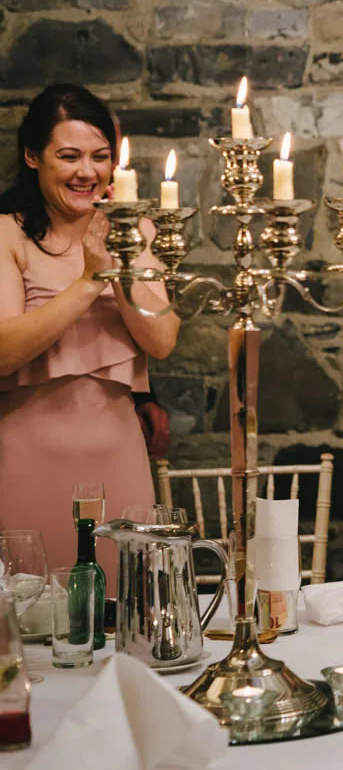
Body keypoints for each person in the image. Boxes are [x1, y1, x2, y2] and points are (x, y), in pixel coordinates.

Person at [0, 85, 179, 592]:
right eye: (69, 156)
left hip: (120, 461)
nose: (88, 172)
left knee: (128, 610)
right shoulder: (7, 235)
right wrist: (88, 282)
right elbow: (3, 350)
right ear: (33, 157)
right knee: (32, 620)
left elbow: (162, 338)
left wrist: (119, 269)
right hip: (25, 461)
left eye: (101, 157)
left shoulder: (132, 230)